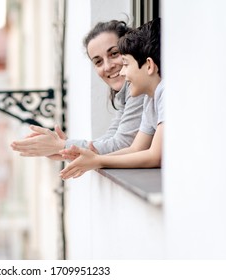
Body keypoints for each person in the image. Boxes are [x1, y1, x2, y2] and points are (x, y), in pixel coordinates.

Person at [10, 20, 144, 160]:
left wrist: (62, 146)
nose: (107, 66)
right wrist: (65, 150)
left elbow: (121, 145)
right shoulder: (126, 93)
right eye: (98, 61)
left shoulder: (139, 88)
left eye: (114, 53)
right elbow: (109, 140)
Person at [59, 17, 163, 179]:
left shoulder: (162, 92)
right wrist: (92, 159)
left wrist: (96, 159)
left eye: (124, 62)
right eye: (98, 62)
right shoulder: (151, 99)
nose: (116, 70)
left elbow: (154, 156)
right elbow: (135, 148)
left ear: (148, 65)